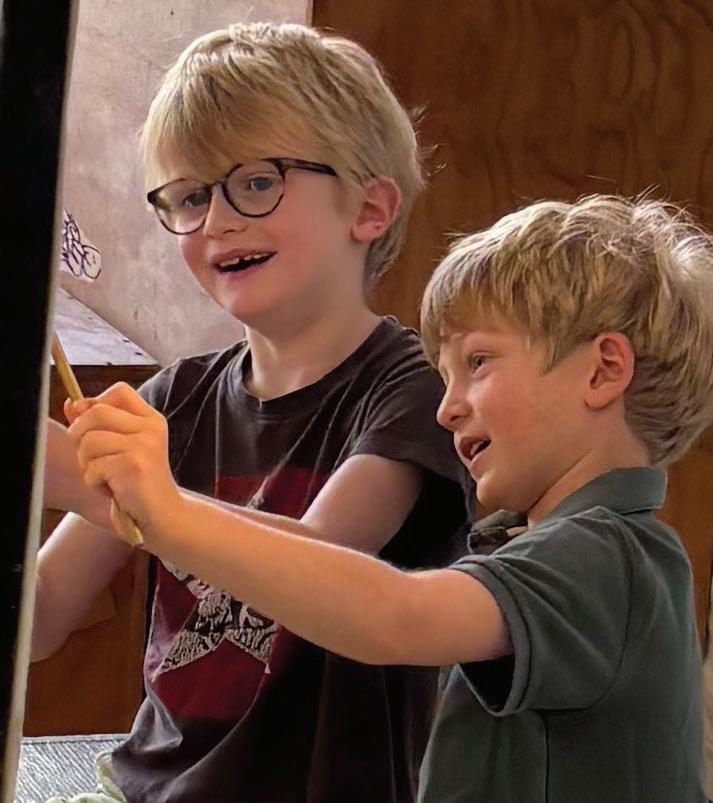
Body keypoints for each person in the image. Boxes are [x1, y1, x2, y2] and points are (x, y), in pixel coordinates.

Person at [69, 194, 713, 801]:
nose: (446, 408)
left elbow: (394, 614)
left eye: (478, 363)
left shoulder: (606, 556)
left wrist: (170, 514)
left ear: (602, 371)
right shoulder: (559, 547)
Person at [36, 21, 471, 803]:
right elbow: (40, 617)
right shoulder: (174, 398)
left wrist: (111, 489)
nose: (217, 220)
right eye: (189, 196)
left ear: (368, 207)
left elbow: (321, 565)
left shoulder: (408, 393)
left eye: (258, 182)